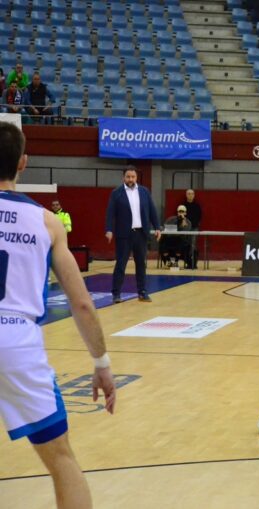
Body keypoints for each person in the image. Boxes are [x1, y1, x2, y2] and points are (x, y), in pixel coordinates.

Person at [0, 123, 116, 509]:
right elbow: (81, 303)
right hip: (17, 344)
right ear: (23, 163)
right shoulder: (46, 223)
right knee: (62, 460)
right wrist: (101, 363)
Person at [105, 166, 161, 304]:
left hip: (141, 233)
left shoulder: (144, 191)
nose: (131, 179)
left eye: (133, 177)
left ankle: (142, 292)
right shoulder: (116, 193)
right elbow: (110, 213)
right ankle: (116, 294)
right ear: (123, 177)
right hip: (124, 234)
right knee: (121, 264)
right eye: (128, 177)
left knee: (141, 264)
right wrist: (109, 229)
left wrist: (157, 227)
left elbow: (152, 210)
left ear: (136, 178)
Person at [179, 189, 201, 269]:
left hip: (194, 228)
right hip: (185, 229)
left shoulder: (197, 206)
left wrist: (194, 225)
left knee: (193, 246)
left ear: (194, 195)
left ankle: (193, 263)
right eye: (189, 194)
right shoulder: (182, 206)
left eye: (192, 194)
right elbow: (180, 217)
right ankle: (187, 262)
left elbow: (199, 217)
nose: (190, 195)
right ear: (186, 195)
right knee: (185, 245)